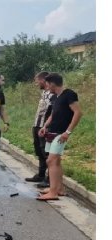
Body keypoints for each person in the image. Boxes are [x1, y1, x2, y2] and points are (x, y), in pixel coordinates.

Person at [37, 73, 82, 201]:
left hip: (60, 134)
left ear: (52, 83)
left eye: (47, 84)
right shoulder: (55, 97)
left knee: (51, 161)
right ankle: (59, 189)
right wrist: (45, 126)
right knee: (56, 161)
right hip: (52, 131)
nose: (46, 86)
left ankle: (53, 192)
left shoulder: (69, 94)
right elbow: (53, 114)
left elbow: (78, 113)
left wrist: (67, 132)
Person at [25, 72, 55, 186]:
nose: (36, 83)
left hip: (44, 127)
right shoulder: (44, 93)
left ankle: (50, 179)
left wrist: (46, 126)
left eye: (37, 81)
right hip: (37, 125)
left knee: (46, 153)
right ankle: (41, 175)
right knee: (39, 152)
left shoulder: (52, 94)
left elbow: (53, 112)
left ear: (43, 80)